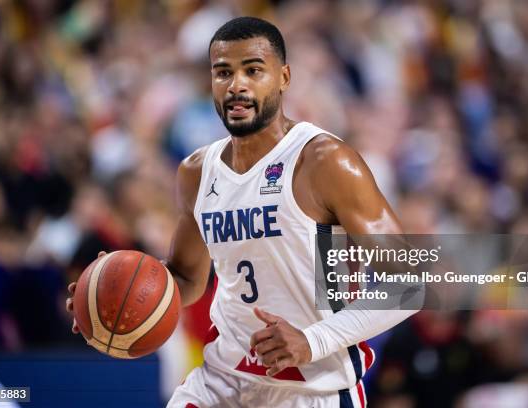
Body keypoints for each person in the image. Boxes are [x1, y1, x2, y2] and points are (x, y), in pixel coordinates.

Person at [66, 16, 417, 407]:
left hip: (313, 389)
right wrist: (110, 294)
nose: (237, 85)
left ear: (283, 77)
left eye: (253, 70)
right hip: (222, 381)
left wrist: (311, 340)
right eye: (223, 72)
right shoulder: (197, 171)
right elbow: (185, 278)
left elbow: (409, 282)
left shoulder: (325, 161)